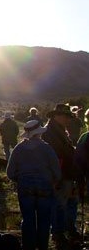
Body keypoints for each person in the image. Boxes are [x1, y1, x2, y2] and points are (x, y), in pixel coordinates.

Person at [7, 120, 61, 250]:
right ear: (39, 133)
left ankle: (28, 246)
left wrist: (19, 179)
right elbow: (57, 171)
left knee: (28, 219)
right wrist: (54, 181)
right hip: (45, 187)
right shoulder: (47, 148)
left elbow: (10, 172)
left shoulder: (18, 149)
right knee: (44, 220)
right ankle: (42, 246)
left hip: (25, 187)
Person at [43, 104, 79, 249]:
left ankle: (68, 229)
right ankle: (58, 232)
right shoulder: (49, 132)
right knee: (60, 205)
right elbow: (54, 156)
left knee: (70, 203)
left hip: (67, 174)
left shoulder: (59, 130)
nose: (67, 119)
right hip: (60, 175)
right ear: (56, 116)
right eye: (65, 116)